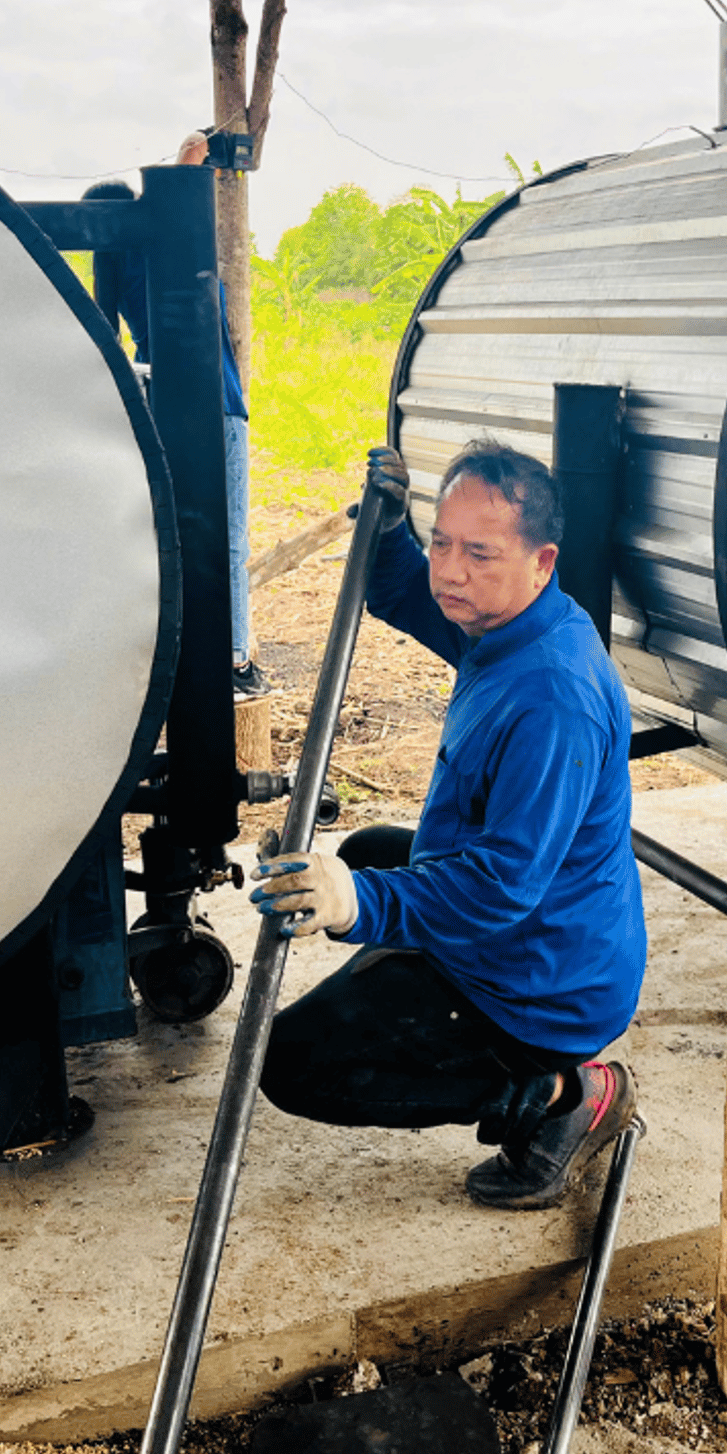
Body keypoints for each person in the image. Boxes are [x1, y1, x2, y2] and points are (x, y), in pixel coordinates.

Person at [250, 440, 646, 1209]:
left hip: (543, 982)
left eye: (479, 553)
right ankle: (436, 990)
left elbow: (500, 888)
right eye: (441, 542)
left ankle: (562, 1092)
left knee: (293, 1064)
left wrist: (359, 903)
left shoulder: (552, 696)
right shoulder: (508, 622)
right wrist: (392, 530)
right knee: (369, 852)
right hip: (546, 915)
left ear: (542, 559)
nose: (450, 571)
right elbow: (402, 589)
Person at [83, 135, 266, 697]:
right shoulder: (176, 246)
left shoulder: (119, 274)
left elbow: (109, 342)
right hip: (219, 405)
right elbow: (185, 174)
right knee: (229, 534)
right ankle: (234, 662)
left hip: (168, 409)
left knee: (178, 536)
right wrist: (194, 153)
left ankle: (186, 647)